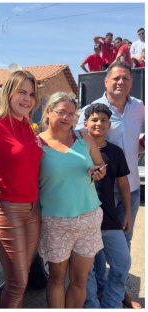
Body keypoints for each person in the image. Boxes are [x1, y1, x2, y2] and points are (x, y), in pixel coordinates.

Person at [78, 62, 144, 309]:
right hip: (97, 191)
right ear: (105, 81)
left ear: (131, 81)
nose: (121, 82)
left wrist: (141, 147)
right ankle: (100, 295)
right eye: (116, 78)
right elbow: (75, 145)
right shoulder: (92, 111)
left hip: (130, 186)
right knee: (95, 249)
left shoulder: (139, 108)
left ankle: (119, 295)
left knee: (122, 245)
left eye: (126, 78)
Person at [37, 92, 106, 309]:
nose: (66, 118)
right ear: (48, 112)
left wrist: (98, 172)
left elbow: (101, 165)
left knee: (80, 280)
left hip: (89, 218)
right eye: (61, 112)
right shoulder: (37, 144)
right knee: (57, 278)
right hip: (55, 222)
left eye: (71, 114)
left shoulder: (83, 137)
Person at [0, 70, 43, 308]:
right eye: (21, 92)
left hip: (33, 209)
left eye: (31, 94)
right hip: (8, 210)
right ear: (8, 93)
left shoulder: (28, 127)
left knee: (22, 278)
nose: (27, 99)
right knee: (17, 282)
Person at [83, 103, 133, 310]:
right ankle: (91, 305)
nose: (99, 123)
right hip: (82, 217)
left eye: (104, 120)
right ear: (86, 123)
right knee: (87, 271)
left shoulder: (115, 152)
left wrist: (128, 212)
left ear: (109, 124)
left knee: (121, 265)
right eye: (94, 119)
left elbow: (122, 183)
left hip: (109, 218)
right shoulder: (78, 149)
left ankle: (112, 304)